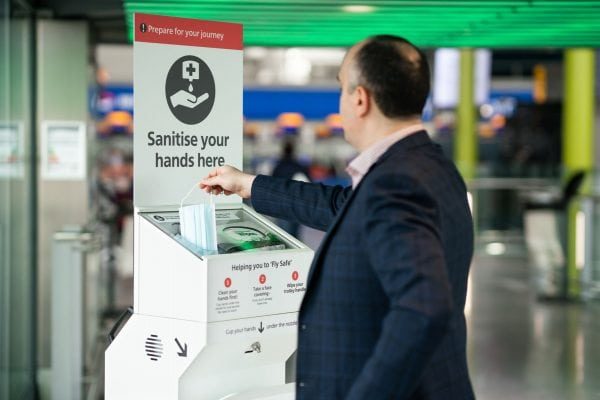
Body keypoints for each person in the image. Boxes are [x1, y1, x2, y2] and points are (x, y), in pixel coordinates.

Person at [201, 35, 474, 399]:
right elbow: (341, 206)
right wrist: (247, 184)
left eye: (342, 88)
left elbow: (424, 307)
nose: (341, 100)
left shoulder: (397, 181)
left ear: (360, 99)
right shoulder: (430, 165)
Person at [271, 138, 311, 237]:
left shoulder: (278, 166)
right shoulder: (299, 166)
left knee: (284, 234)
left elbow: (272, 184)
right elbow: (309, 184)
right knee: (295, 233)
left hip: (281, 204)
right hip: (297, 204)